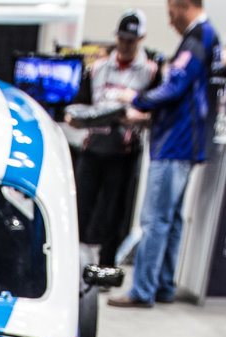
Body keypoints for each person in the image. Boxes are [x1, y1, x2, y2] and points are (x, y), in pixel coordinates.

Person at [110, 0, 219, 308]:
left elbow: (175, 87)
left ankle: (143, 291)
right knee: (170, 219)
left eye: (171, 13)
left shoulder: (198, 37)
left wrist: (138, 99)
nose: (170, 22)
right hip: (185, 142)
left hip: (175, 143)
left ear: (183, 6)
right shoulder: (207, 37)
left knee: (155, 219)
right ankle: (164, 286)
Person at [69, 11, 158, 269]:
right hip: (93, 148)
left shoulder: (150, 72)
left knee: (113, 213)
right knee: (80, 208)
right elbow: (81, 103)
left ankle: (107, 267)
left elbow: (157, 113)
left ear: (140, 39)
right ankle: (71, 264)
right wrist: (76, 117)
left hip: (123, 153)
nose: (126, 44)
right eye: (122, 39)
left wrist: (137, 118)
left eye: (131, 40)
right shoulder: (97, 68)